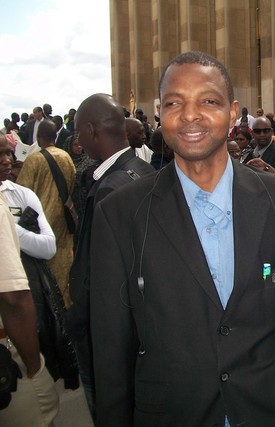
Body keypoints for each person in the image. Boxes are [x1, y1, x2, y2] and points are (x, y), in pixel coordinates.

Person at [90, 51, 275, 427]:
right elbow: (111, 349)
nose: (190, 115)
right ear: (160, 114)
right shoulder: (120, 215)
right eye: (175, 102)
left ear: (233, 112)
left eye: (208, 100)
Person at [66, 93, 155, 421]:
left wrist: (76, 318)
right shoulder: (143, 170)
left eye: (78, 133)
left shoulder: (108, 189)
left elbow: (97, 277)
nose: (78, 141)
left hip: (109, 336)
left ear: (90, 130)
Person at [0, 190, 59, 426]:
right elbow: (12, 299)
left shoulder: (22, 195)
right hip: (10, 358)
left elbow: (48, 245)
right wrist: (33, 368)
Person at [17, 120, 75, 307]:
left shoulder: (34, 159)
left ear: (38, 137)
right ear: (55, 136)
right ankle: (64, 308)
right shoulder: (66, 156)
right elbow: (72, 185)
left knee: (43, 272)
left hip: (40, 225)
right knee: (64, 268)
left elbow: (21, 191)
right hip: (63, 223)